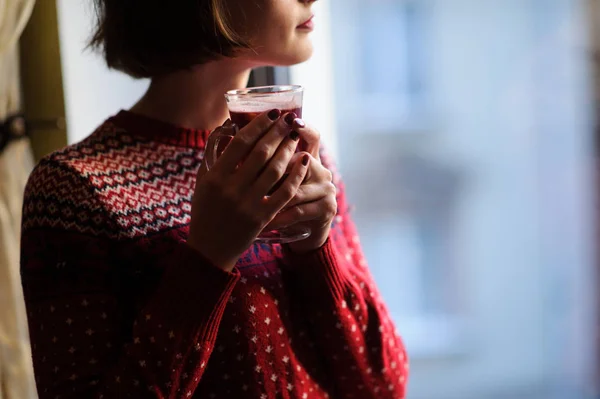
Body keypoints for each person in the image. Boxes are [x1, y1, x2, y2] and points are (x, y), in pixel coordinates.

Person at [20, 0, 408, 397]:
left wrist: (315, 250)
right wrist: (207, 258)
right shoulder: (74, 191)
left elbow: (380, 385)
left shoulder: (302, 160)